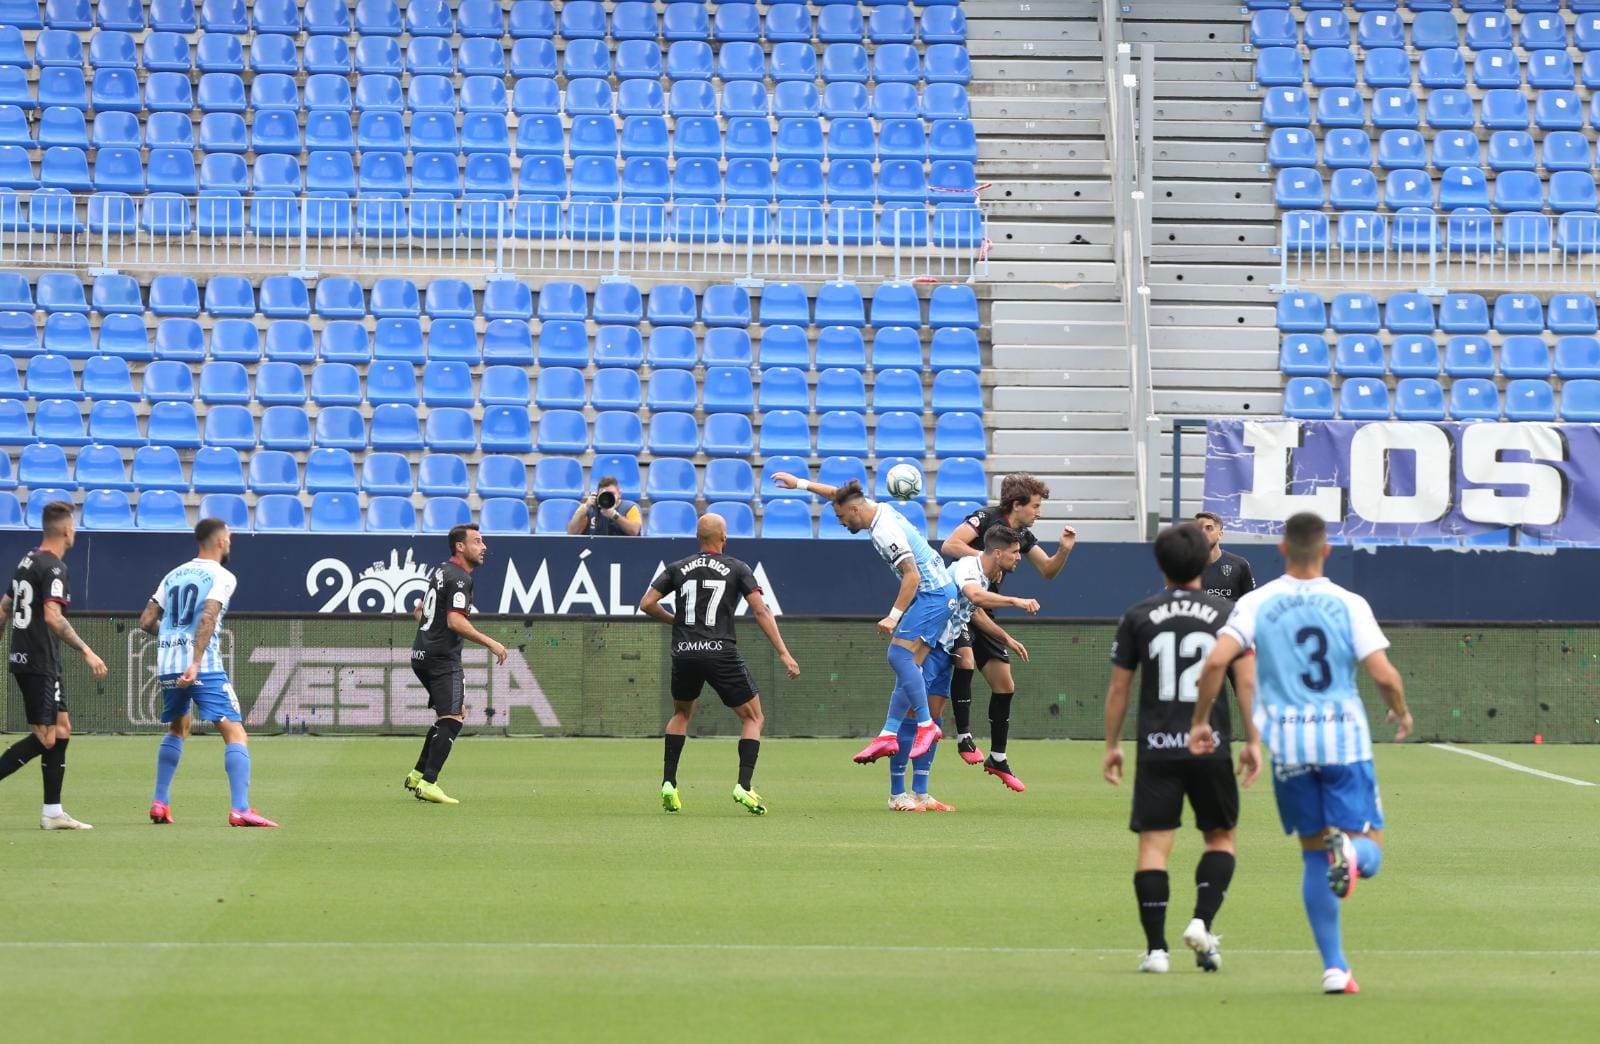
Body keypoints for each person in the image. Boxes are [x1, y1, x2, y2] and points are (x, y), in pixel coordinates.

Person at [1192, 511, 1412, 996]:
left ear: (1283, 550)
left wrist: (1202, 719)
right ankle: (1353, 855)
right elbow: (1383, 674)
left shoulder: (1255, 602)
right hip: (1343, 741)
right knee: (1366, 842)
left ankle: (1335, 968)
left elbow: (1215, 660)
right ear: (1326, 550)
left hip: (1288, 744)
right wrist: (1399, 710)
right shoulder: (1348, 602)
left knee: (1314, 855)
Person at [1102, 523, 1260, 975]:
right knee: (1220, 838)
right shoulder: (1230, 613)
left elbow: (1119, 689)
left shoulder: (1139, 614)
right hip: (1209, 745)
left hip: (1156, 747)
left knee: (1154, 847)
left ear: (1160, 563)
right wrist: (1252, 739)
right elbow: (1246, 680)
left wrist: (1113, 745)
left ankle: (1156, 952)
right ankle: (1201, 921)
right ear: (1207, 559)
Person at [770, 473, 954, 766]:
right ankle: (888, 734)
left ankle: (926, 725)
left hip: (932, 594)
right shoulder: (872, 508)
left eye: (842, 517)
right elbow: (837, 493)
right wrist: (801, 484)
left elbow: (912, 575)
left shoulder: (884, 531)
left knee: (897, 655)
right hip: (941, 593)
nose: (841, 523)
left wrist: (893, 617)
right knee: (908, 666)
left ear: (855, 510)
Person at [640, 513, 801, 815]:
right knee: (753, 717)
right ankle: (744, 785)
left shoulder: (677, 568)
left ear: (699, 538)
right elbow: (761, 611)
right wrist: (783, 653)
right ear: (723, 537)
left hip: (684, 650)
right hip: (719, 651)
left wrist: (675, 621)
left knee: (681, 713)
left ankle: (669, 783)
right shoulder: (738, 568)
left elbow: (646, 603)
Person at [939, 473, 1077, 791]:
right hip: (961, 602)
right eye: (1036, 506)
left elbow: (1048, 571)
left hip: (985, 608)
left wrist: (1065, 550)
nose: (1039, 513)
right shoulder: (986, 519)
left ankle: (998, 758)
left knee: (1005, 684)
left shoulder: (1022, 537)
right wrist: (989, 558)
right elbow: (950, 544)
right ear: (1018, 504)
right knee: (965, 661)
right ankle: (963, 737)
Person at [138, 518, 276, 828]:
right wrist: (196, 660)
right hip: (202, 667)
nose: (230, 542)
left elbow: (146, 621)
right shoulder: (222, 576)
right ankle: (241, 808)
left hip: (168, 666)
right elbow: (208, 617)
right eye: (228, 537)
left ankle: (160, 803)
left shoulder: (173, 574)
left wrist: (174, 638)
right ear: (219, 542)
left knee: (178, 728)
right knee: (235, 733)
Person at [894, 525, 1039, 812]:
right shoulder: (967, 567)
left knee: (932, 721)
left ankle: (921, 793)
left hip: (945, 647)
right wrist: (1015, 601)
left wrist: (1006, 638)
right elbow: (975, 596)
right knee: (912, 716)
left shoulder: (983, 575)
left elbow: (975, 611)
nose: (1019, 558)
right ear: (997, 553)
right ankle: (897, 794)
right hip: (926, 643)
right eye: (1014, 553)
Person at [0, 501, 107, 830]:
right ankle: (51, 811)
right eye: (74, 525)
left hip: (31, 657)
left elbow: (4, 608)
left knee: (61, 730)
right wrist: (88, 651)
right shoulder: (54, 567)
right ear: (66, 530)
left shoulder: (26, 561)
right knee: (46, 738)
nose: (75, 530)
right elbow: (52, 616)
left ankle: (52, 812)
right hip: (39, 661)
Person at [404, 524, 509, 805]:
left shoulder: (440, 571)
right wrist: (492, 643)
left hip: (421, 656)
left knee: (448, 715)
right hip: (441, 659)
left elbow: (418, 611)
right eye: (477, 541)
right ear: (460, 547)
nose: (483, 546)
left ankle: (417, 775)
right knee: (453, 718)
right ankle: (429, 782)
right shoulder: (460, 578)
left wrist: (430, 627)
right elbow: (455, 621)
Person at [1194, 512, 1256, 602]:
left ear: (1220, 534)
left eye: (1209, 528)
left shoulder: (1239, 565)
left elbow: (1250, 603)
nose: (1203, 532)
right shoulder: (1186, 566)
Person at [566, 475, 642, 536]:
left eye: (611, 494)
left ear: (619, 494)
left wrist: (614, 516)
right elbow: (571, 533)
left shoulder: (630, 508)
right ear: (597, 495)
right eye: (604, 494)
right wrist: (585, 508)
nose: (608, 497)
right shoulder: (588, 508)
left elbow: (634, 531)